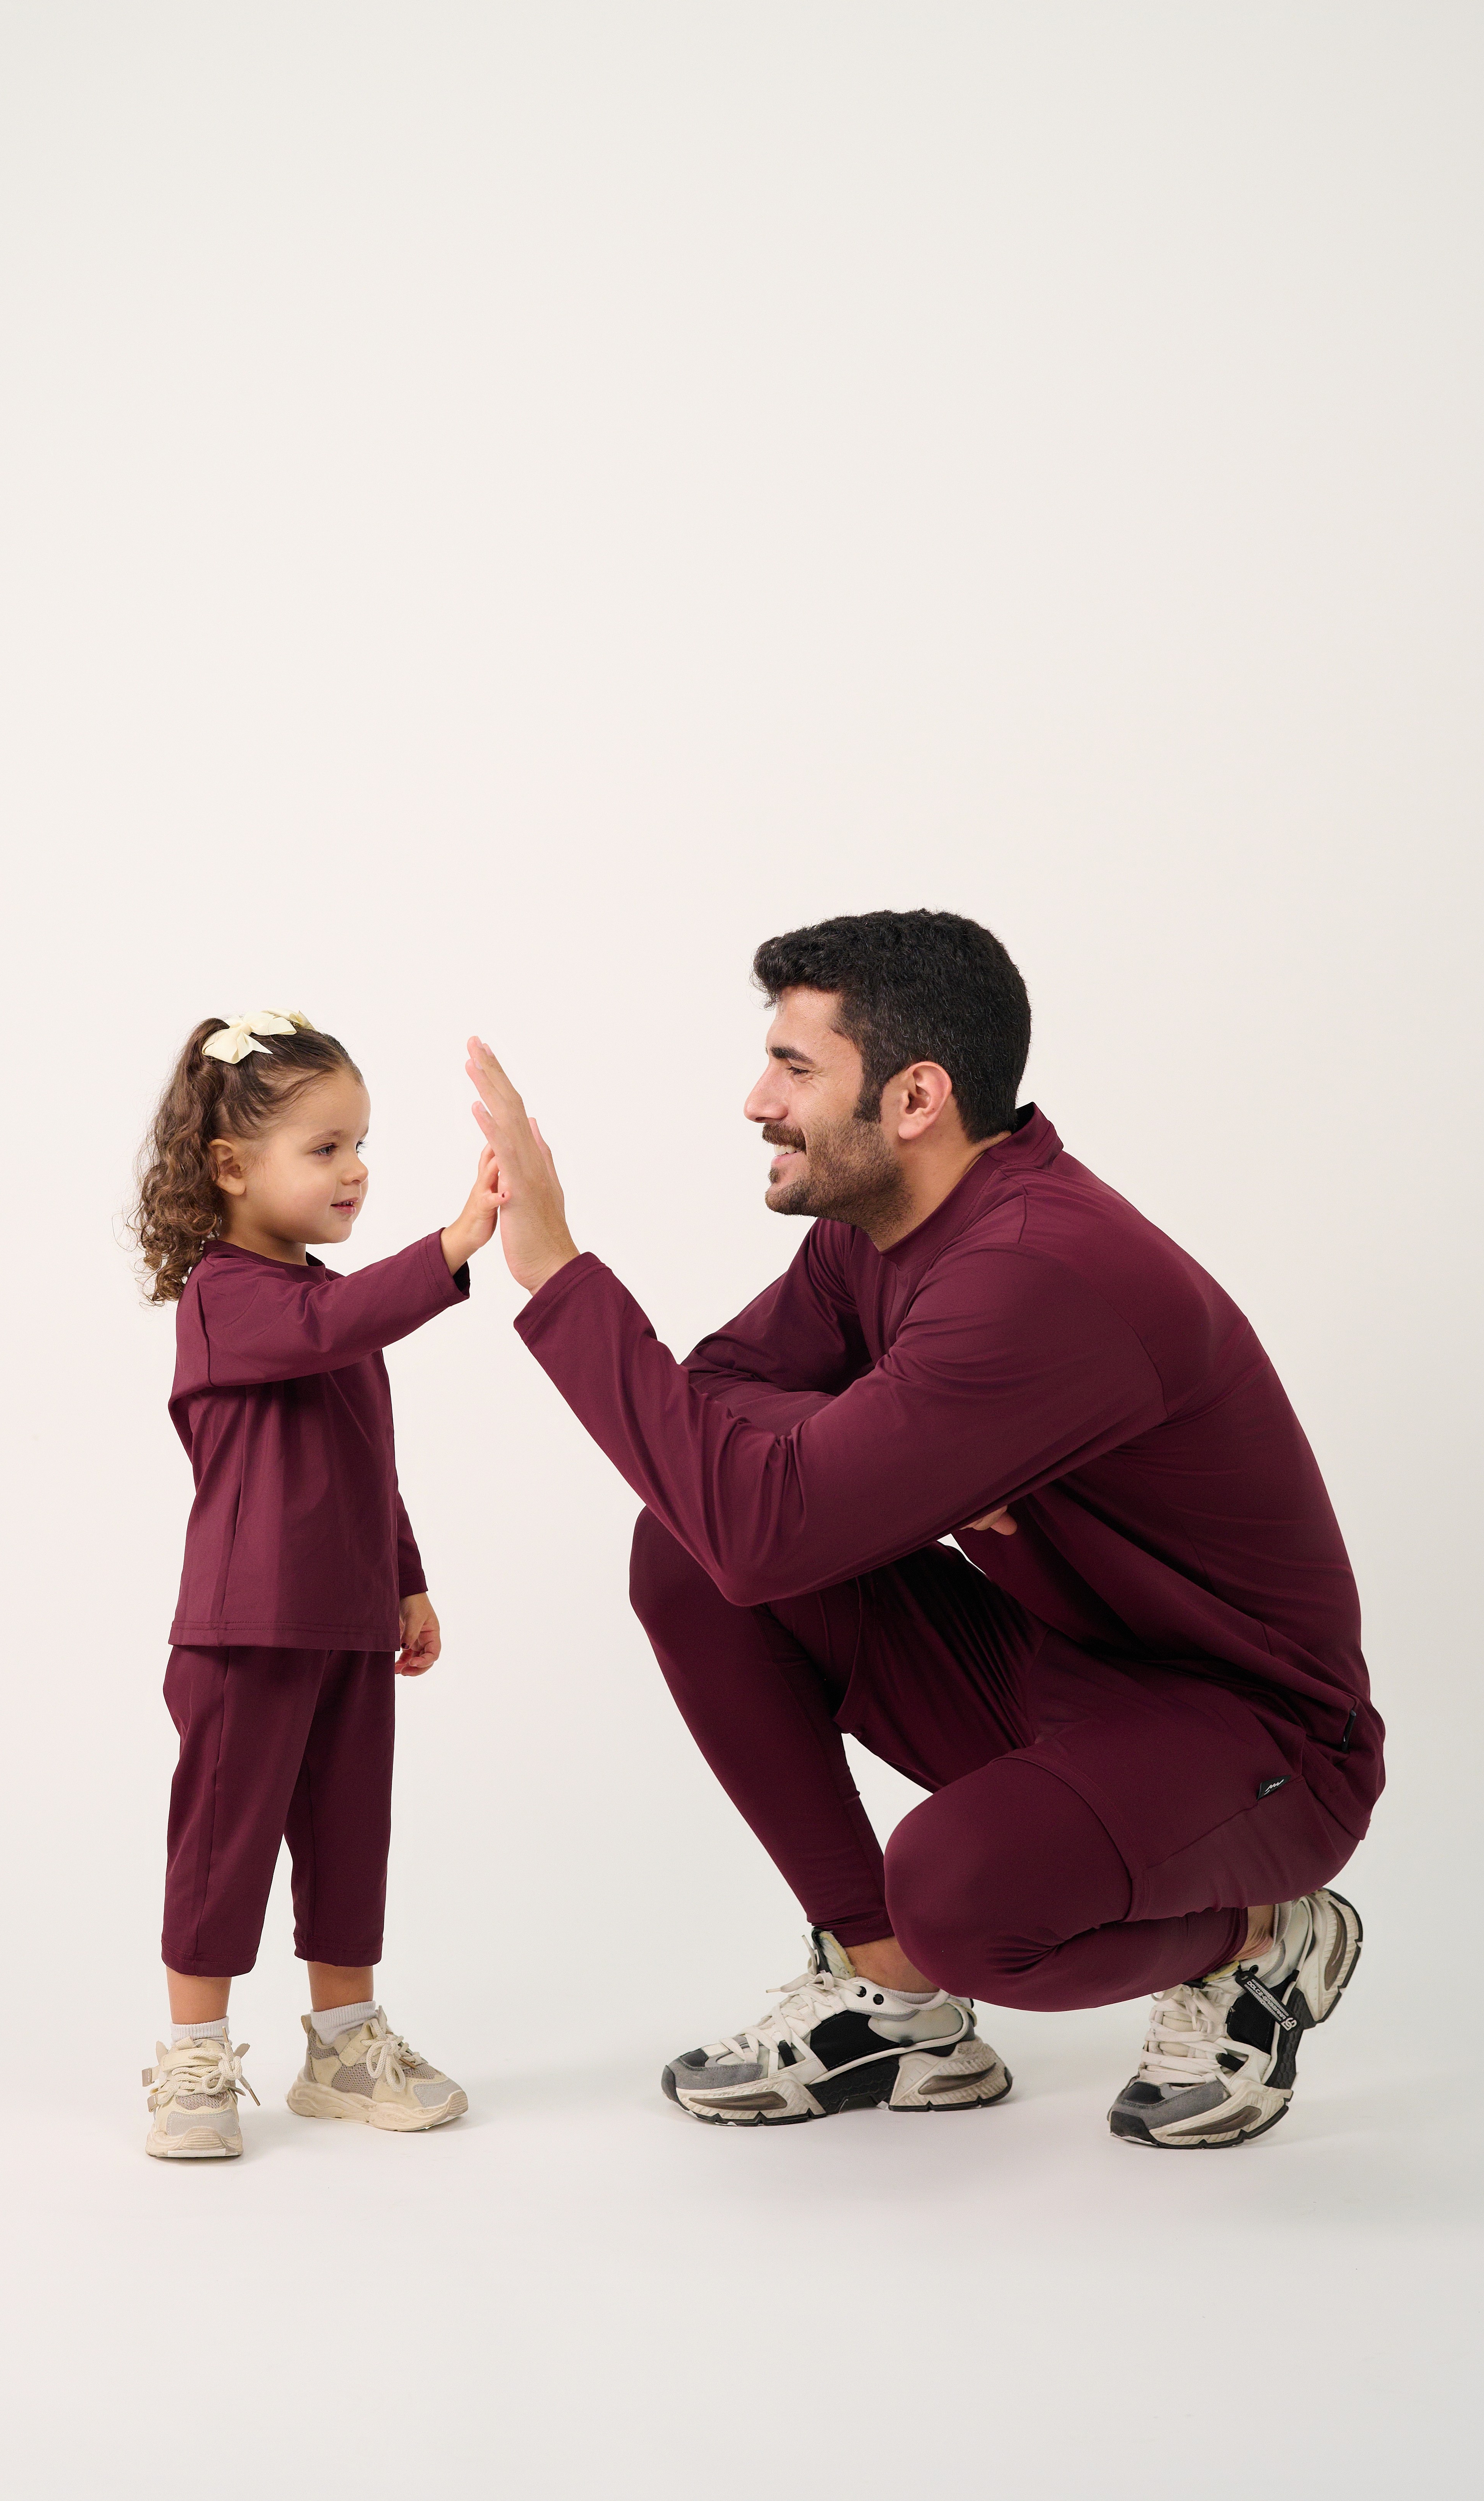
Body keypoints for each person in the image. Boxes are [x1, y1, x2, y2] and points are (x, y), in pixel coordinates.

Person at [465, 910, 1382, 2150]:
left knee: (960, 1891)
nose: (756, 1100)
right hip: (1060, 1667)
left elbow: (762, 1520)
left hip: (1253, 1735)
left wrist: (557, 1269)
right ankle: (892, 2000)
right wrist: (890, 1436)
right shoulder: (878, 1234)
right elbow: (721, 1394)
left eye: (795, 1067)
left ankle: (1268, 1939)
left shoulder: (1034, 1273)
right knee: (679, 1546)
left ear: (915, 1097)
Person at [129, 1009, 501, 2159]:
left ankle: (344, 2044)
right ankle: (194, 2055)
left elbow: (363, 1457)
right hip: (248, 1628)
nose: (357, 1169)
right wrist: (454, 1242)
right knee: (224, 1839)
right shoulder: (229, 1295)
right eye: (326, 1147)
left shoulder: (325, 1305)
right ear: (231, 1169)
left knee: (350, 1835)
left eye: (361, 1142)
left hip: (345, 1624)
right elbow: (328, 1321)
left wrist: (405, 1577)